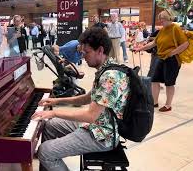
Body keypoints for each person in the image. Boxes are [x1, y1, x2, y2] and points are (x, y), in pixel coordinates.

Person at [32, 27, 130, 171]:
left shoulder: (110, 77)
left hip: (103, 135)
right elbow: (86, 98)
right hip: (96, 126)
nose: (83, 56)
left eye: (87, 52)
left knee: (45, 151)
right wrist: (56, 101)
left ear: (100, 50)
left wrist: (53, 112)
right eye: (82, 52)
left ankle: (49, 158)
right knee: (49, 126)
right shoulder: (106, 69)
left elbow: (90, 115)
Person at [135, 10, 189, 112]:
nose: (161, 21)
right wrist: (140, 48)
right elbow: (154, 43)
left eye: (162, 19)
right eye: (160, 19)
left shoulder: (175, 28)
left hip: (172, 60)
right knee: (154, 80)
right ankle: (154, 102)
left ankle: (168, 105)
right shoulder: (163, 30)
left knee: (169, 83)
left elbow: (185, 44)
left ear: (168, 18)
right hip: (161, 58)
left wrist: (173, 52)